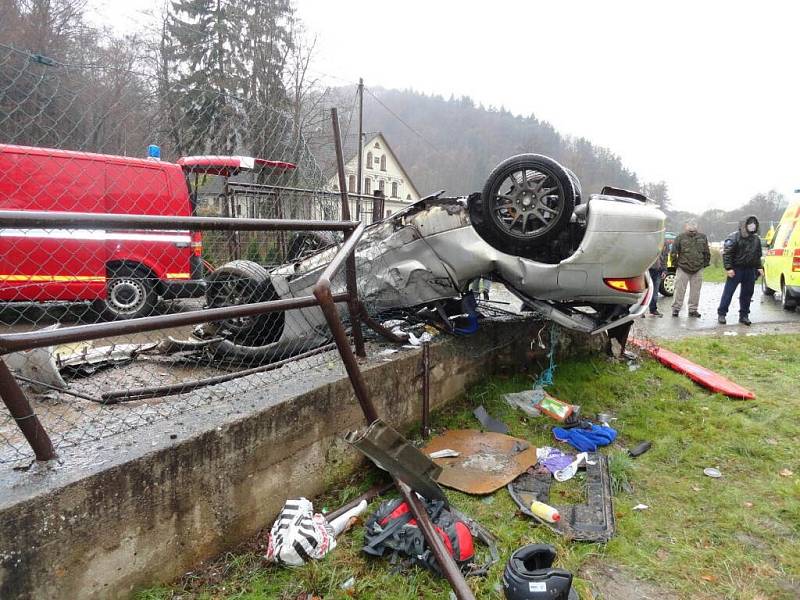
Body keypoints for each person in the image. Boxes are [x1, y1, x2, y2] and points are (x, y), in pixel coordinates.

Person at [717, 215, 763, 325]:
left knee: (747, 294)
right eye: (750, 224)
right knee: (728, 292)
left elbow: (757, 255)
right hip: (736, 269)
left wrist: (759, 267)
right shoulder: (734, 237)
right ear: (744, 225)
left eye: (754, 224)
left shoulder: (756, 239)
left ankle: (744, 315)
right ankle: (722, 314)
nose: (752, 226)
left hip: (750, 270)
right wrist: (729, 268)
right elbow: (727, 254)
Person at [670, 219, 711, 317]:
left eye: (694, 225)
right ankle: (676, 309)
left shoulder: (703, 237)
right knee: (679, 290)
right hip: (683, 267)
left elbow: (706, 252)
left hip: (698, 268)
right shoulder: (680, 237)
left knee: (696, 291)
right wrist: (676, 265)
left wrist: (704, 264)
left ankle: (693, 310)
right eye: (689, 225)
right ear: (685, 226)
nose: (692, 227)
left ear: (697, 226)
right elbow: (673, 252)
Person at [645, 241, 669, 317]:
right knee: (643, 292)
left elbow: (665, 257)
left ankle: (653, 309)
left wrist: (664, 270)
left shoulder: (664, 242)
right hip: (646, 270)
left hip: (658, 271)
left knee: (655, 293)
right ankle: (640, 311)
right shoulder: (647, 240)